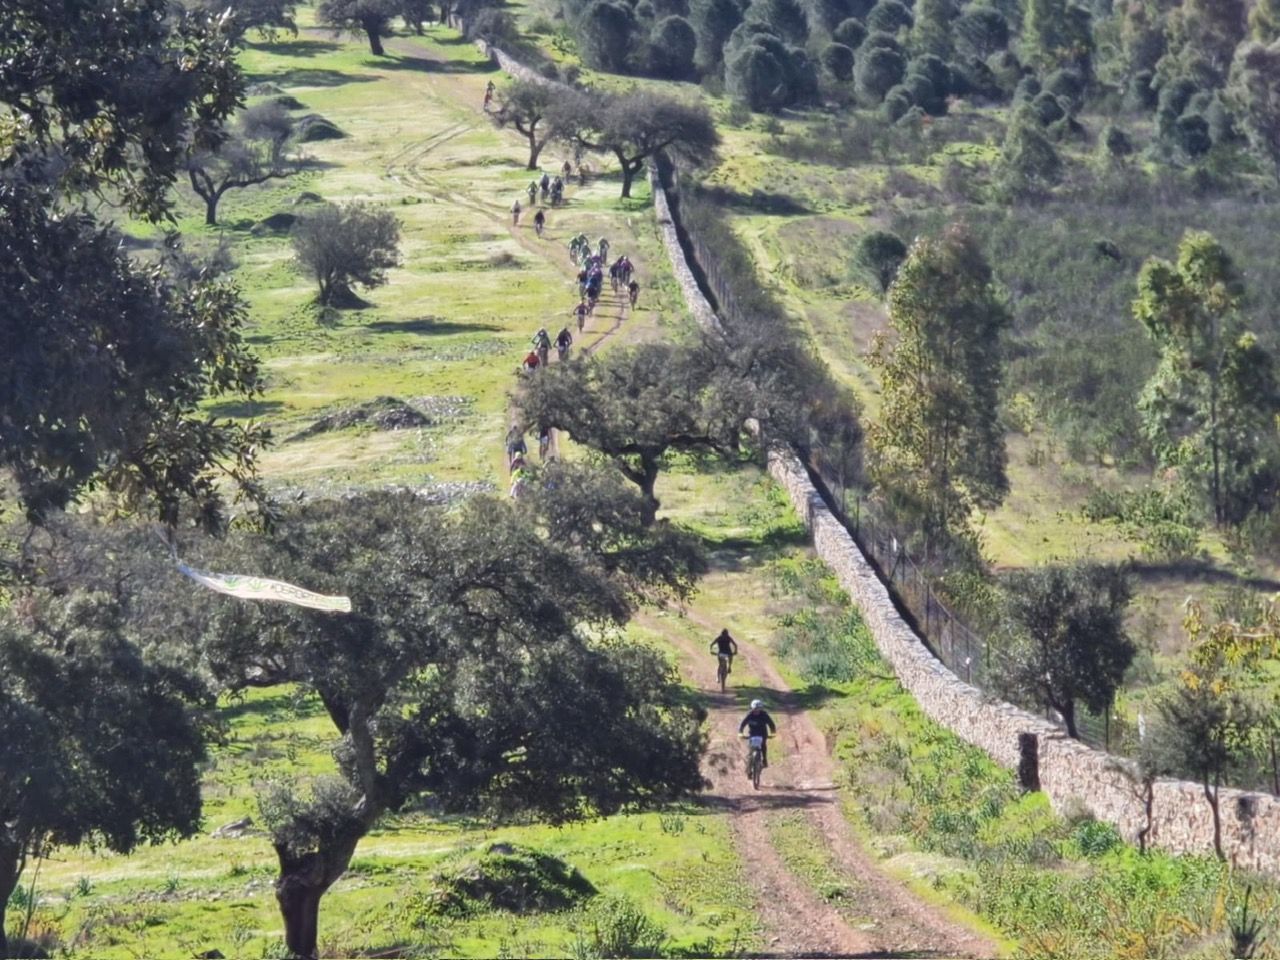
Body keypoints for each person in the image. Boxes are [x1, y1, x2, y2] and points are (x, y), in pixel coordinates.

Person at [739, 700, 777, 771]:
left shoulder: (764, 715)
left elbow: (771, 724)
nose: (756, 711)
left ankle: (764, 760)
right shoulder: (749, 715)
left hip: (762, 734)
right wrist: (740, 733)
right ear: (752, 708)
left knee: (763, 746)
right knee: (751, 749)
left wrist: (773, 733)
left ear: (761, 709)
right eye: (755, 709)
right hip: (752, 734)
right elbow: (742, 724)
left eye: (758, 709)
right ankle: (749, 766)